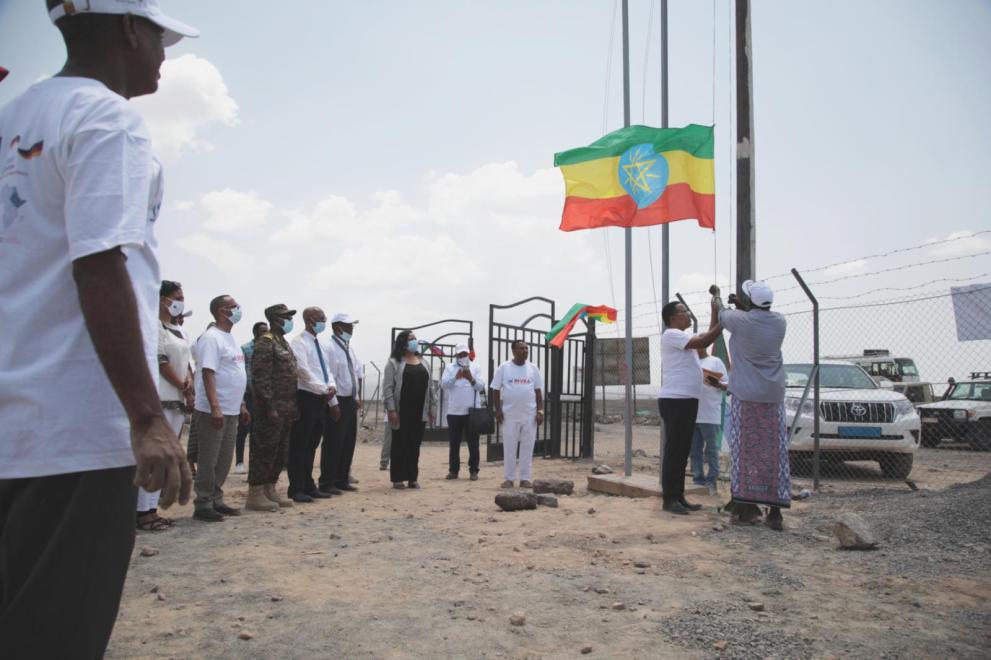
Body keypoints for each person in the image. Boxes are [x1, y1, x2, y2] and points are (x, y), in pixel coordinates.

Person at [0, 1, 196, 655]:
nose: (164, 55)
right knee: (58, 633)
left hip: (13, 427)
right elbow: (100, 264)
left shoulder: (14, 116)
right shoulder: (106, 119)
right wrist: (146, 418)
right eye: (161, 38)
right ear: (129, 30)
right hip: (73, 431)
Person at [715, 280, 789, 530]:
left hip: (746, 396)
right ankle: (775, 511)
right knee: (773, 452)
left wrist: (717, 297)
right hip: (773, 395)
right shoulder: (779, 321)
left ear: (748, 302)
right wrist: (745, 306)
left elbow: (721, 312)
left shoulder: (740, 320)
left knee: (745, 450)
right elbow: (756, 319)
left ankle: (745, 507)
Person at [137, 280, 194, 531]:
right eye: (176, 297)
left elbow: (187, 362)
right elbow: (161, 361)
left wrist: (189, 383)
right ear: (163, 299)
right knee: (154, 457)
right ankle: (142, 512)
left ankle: (152, 509)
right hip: (162, 396)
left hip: (178, 400)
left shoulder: (179, 330)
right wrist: (182, 383)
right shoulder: (154, 326)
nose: (180, 302)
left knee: (167, 457)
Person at [657, 299, 722, 515]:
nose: (688, 314)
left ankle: (678, 495)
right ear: (672, 318)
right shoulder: (671, 335)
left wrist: (715, 313)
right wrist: (724, 320)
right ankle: (669, 499)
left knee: (683, 450)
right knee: (675, 450)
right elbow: (705, 338)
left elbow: (705, 338)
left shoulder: (684, 337)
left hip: (687, 400)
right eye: (683, 311)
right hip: (676, 400)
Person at [192, 295, 250, 521]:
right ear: (221, 311)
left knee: (224, 459)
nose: (238, 309)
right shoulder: (211, 338)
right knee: (209, 458)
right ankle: (203, 503)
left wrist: (242, 404)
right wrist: (215, 406)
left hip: (233, 409)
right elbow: (208, 373)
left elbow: (236, 375)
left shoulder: (231, 339)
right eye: (233, 306)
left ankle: (217, 499)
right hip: (212, 410)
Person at [248, 304, 299, 511]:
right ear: (275, 319)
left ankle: (270, 488)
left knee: (279, 451)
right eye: (285, 317)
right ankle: (255, 493)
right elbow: (260, 379)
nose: (289, 321)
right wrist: (269, 407)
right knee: (264, 449)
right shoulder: (265, 343)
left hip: (287, 407)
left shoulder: (284, 343)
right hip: (271, 408)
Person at [288, 308, 336, 503]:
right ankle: (296, 487)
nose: (323, 321)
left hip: (321, 399)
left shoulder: (321, 345)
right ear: (309, 320)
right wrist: (323, 388)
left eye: (324, 317)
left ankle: (309, 484)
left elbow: (327, 370)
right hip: (306, 396)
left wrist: (330, 386)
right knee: (300, 445)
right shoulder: (299, 342)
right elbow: (303, 371)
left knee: (312, 444)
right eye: (320, 318)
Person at [383, 330, 436, 489]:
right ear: (403, 343)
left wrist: (432, 407)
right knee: (399, 443)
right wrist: (391, 410)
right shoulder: (393, 362)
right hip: (401, 410)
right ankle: (398, 478)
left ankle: (412, 478)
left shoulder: (423, 361)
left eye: (415, 339)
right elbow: (388, 388)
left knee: (414, 444)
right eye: (411, 339)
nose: (415, 341)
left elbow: (431, 387)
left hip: (420, 410)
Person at [491, 340, 544, 489]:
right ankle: (509, 479)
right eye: (521, 348)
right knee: (509, 447)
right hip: (510, 415)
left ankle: (525, 478)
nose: (525, 351)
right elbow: (495, 389)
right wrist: (498, 410)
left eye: (527, 348)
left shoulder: (533, 369)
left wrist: (540, 410)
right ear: (513, 351)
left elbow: (538, 391)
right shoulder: (504, 367)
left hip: (529, 415)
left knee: (527, 447)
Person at [320, 313, 364, 493]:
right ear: (338, 328)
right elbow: (329, 377)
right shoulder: (329, 348)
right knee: (333, 442)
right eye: (348, 326)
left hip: (350, 401)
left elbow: (355, 373)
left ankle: (341, 478)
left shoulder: (348, 348)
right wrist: (334, 404)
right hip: (337, 401)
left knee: (347, 442)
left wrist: (357, 397)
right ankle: (327, 482)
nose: (351, 329)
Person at [441, 343, 485, 481]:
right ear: (456, 355)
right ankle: (454, 471)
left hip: (472, 412)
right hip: (454, 412)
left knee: (473, 442)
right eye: (460, 355)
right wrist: (456, 377)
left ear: (468, 354)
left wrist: (470, 378)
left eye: (465, 354)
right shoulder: (449, 368)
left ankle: (473, 471)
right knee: (454, 443)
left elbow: (480, 387)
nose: (463, 357)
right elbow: (443, 385)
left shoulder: (476, 368)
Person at [690, 346, 728, 496]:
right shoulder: (690, 361)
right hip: (692, 413)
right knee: (695, 450)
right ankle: (698, 479)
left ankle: (712, 480)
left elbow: (726, 384)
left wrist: (717, 384)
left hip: (710, 414)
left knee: (711, 450)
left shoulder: (715, 361)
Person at [235, 321, 269, 474]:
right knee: (244, 429)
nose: (265, 334)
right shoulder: (246, 348)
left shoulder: (269, 349)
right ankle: (240, 462)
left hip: (264, 396)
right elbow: (243, 372)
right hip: (249, 394)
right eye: (262, 331)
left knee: (260, 431)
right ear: (255, 332)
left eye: (266, 331)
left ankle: (256, 462)